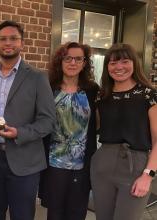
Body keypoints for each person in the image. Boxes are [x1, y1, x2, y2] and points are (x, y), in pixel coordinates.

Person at [0, 20, 56, 220]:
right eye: (3, 39)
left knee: (22, 215)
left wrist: (19, 133)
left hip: (25, 160)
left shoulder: (38, 77)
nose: (8, 43)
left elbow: (48, 120)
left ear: (22, 43)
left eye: (13, 38)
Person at [91, 43, 157, 220]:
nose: (119, 67)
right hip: (103, 162)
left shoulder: (148, 94)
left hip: (135, 165)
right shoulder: (102, 95)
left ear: (134, 63)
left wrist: (148, 175)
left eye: (125, 61)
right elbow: (96, 127)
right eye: (113, 63)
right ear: (107, 67)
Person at [39, 42, 99, 220]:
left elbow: (96, 124)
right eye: (68, 58)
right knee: (55, 212)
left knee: (77, 212)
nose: (73, 62)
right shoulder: (48, 88)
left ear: (84, 63)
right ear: (60, 61)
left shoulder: (92, 90)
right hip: (53, 162)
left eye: (78, 58)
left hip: (82, 163)